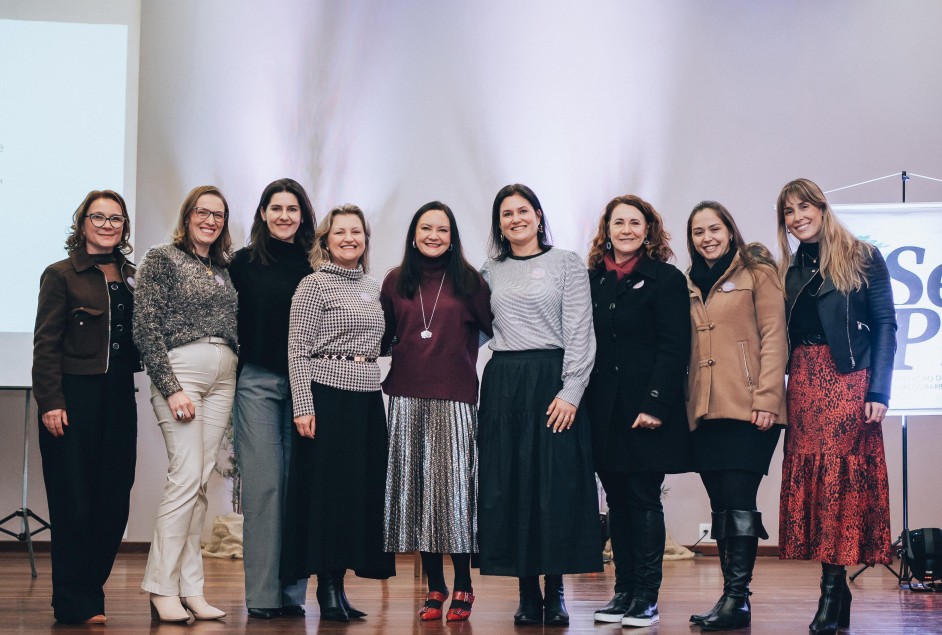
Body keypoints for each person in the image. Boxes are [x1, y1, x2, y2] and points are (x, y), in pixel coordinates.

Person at [775, 178, 895, 635]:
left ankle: (831, 592)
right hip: (803, 383)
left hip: (849, 381)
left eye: (804, 206)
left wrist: (879, 392)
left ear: (823, 208)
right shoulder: (788, 268)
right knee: (818, 485)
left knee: (841, 485)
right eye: (788, 211)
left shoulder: (862, 255)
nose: (797, 216)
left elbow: (886, 325)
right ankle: (836, 588)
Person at [477, 184, 600, 627]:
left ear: (538, 215)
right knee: (512, 485)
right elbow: (471, 327)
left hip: (553, 380)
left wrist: (571, 391)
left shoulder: (565, 263)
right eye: (506, 214)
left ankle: (556, 591)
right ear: (499, 224)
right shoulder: (489, 271)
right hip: (505, 383)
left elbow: (581, 331)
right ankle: (527, 592)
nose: (515, 219)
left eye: (522, 211)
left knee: (555, 486)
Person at [281, 204, 395, 622]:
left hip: (365, 401)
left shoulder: (371, 286)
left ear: (365, 239)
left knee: (355, 495)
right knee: (326, 496)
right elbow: (296, 349)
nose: (349, 238)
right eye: (340, 232)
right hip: (325, 398)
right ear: (325, 241)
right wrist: (303, 405)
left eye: (357, 232)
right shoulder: (313, 285)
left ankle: (342, 586)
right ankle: (325, 588)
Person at [380, 202, 492, 622]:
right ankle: (435, 586)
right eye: (426, 228)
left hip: (456, 398)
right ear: (413, 235)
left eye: (442, 230)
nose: (433, 236)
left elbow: (493, 327)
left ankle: (463, 584)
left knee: (452, 493)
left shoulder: (469, 282)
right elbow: (384, 335)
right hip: (405, 397)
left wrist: (454, 355)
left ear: (452, 236)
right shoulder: (395, 281)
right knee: (417, 493)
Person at [32, 190, 140, 625]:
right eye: (99, 217)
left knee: (114, 499)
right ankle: (75, 601)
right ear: (82, 223)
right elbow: (45, 345)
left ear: (124, 227)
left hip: (119, 397)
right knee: (73, 502)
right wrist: (51, 402)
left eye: (116, 219)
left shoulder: (132, 275)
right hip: (73, 398)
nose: (108, 224)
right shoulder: (60, 275)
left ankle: (90, 589)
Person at [584, 195, 691, 628]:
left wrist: (655, 404)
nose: (626, 230)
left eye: (635, 222)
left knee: (644, 499)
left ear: (648, 230)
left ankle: (646, 597)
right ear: (606, 229)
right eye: (618, 222)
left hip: (647, 412)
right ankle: (623, 592)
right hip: (603, 413)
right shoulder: (592, 280)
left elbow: (674, 347)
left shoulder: (665, 278)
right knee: (617, 501)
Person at [134, 185, 238, 622]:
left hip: (223, 376)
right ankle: (161, 588)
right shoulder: (162, 257)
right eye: (203, 211)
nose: (210, 220)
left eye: (219, 214)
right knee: (184, 478)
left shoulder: (223, 268)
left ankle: (191, 589)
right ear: (188, 214)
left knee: (198, 483)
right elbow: (145, 324)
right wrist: (171, 385)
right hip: (182, 372)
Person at [684, 201, 788, 631]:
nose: (707, 237)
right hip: (705, 412)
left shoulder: (758, 274)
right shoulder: (688, 282)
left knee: (739, 501)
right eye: (698, 232)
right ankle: (729, 598)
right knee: (721, 504)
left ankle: (738, 599)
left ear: (730, 230)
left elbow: (775, 337)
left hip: (750, 409)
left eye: (714, 228)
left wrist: (766, 399)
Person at [229, 178, 316, 619]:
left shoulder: (316, 266)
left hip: (308, 389)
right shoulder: (240, 264)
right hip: (258, 383)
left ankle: (292, 593)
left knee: (296, 488)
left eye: (293, 208)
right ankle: (263, 595)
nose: (284, 215)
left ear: (304, 216)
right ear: (262, 213)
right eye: (276, 207)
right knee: (264, 487)